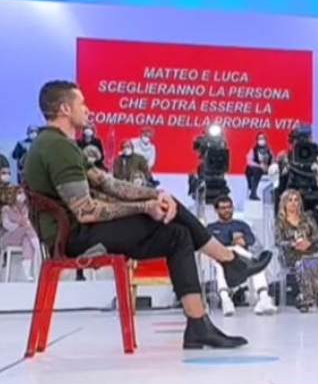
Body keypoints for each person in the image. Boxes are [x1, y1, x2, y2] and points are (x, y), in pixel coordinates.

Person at [24, 80, 273, 349]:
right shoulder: (56, 147)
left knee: (177, 233)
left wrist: (155, 195)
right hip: (76, 239)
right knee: (170, 219)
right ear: (64, 108)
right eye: (81, 103)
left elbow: (109, 184)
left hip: (82, 232)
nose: (87, 109)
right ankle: (228, 262)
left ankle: (199, 323)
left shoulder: (61, 145)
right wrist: (145, 207)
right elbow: (86, 211)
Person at [207, 195, 277, 316]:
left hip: (241, 258)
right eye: (223, 208)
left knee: (256, 265)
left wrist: (244, 241)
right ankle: (225, 300)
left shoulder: (242, 225)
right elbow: (210, 244)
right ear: (216, 210)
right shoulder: (211, 228)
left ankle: (264, 297)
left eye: (229, 207)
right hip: (221, 257)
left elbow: (251, 239)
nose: (227, 210)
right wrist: (231, 242)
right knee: (220, 265)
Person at [275, 189, 318, 312]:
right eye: (290, 200)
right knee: (304, 263)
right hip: (291, 253)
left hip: (310, 249)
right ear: (284, 203)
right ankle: (307, 298)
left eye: (296, 200)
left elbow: (317, 234)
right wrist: (293, 244)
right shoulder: (280, 221)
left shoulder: (307, 217)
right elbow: (278, 241)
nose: (293, 203)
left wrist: (309, 242)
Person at [0, 185, 41, 281]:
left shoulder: (25, 209)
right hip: (8, 238)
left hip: (23, 236)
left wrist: (23, 224)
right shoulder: (6, 209)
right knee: (26, 229)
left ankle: (27, 272)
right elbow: (7, 225)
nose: (22, 195)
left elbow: (27, 222)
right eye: (19, 193)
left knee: (27, 241)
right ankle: (37, 246)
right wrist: (20, 224)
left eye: (23, 193)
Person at [245, 133, 273, 201]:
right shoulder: (253, 150)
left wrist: (269, 166)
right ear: (257, 140)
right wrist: (259, 165)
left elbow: (273, 160)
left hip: (267, 169)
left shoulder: (269, 150)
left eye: (263, 138)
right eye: (260, 138)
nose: (262, 140)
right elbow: (249, 161)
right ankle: (253, 193)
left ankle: (275, 194)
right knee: (255, 170)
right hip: (256, 169)